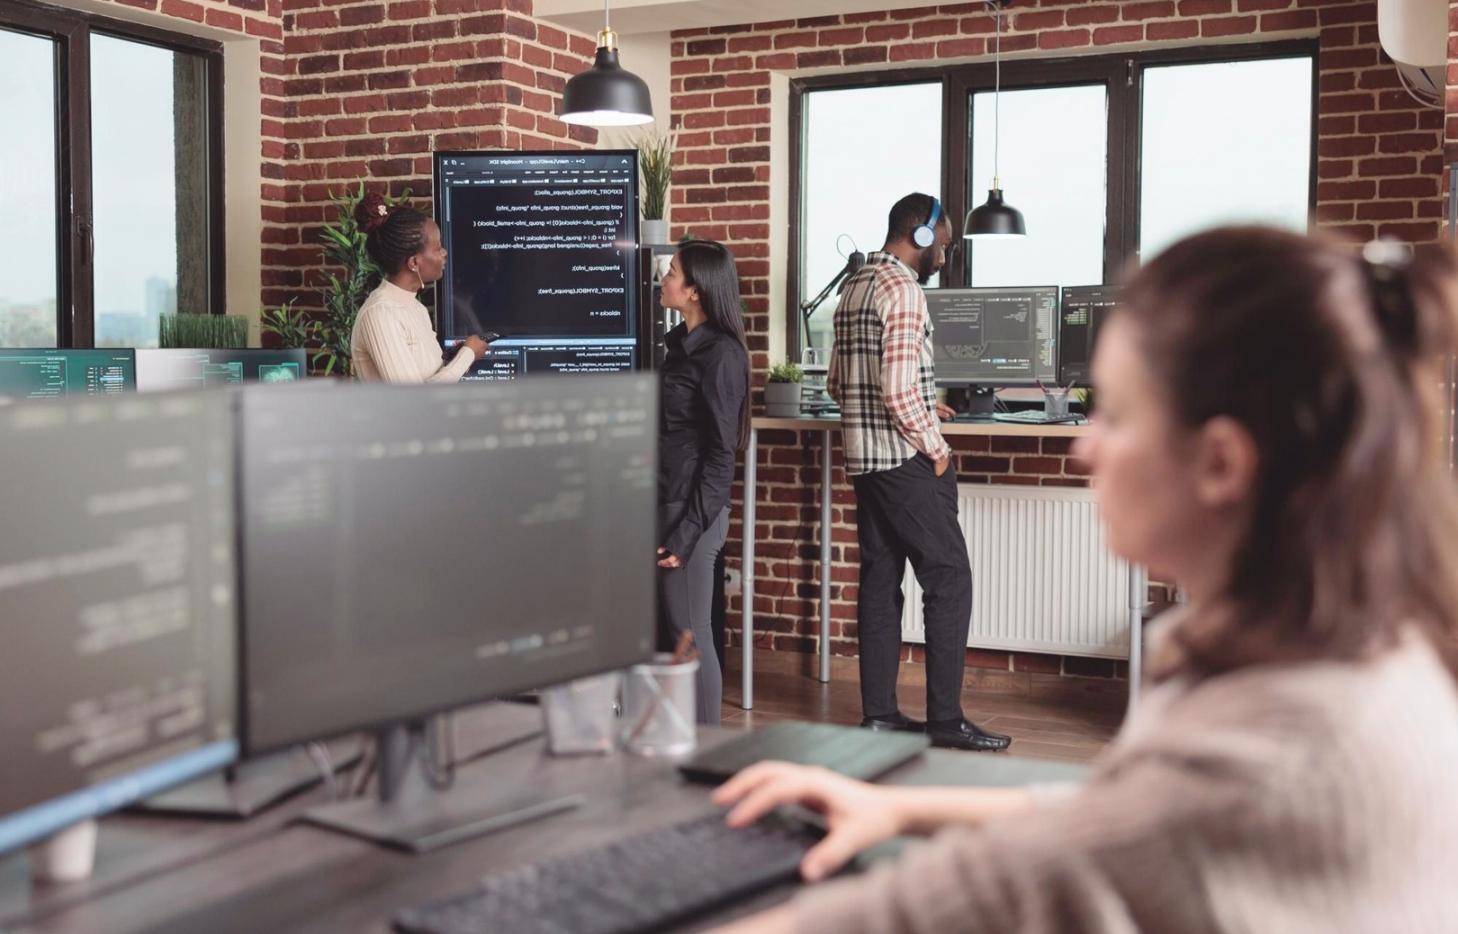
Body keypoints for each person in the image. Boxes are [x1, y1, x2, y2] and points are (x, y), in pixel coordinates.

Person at [712, 225, 1458, 933]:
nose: (1084, 449)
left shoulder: (1282, 749)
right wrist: (904, 809)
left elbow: (965, 898)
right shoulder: (1320, 653)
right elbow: (1126, 812)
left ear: (1221, 461)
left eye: (1117, 415)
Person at [828, 192, 1010, 752]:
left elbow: (837, 383)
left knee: (880, 581)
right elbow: (897, 388)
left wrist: (925, 406)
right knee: (949, 578)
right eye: (944, 246)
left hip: (866, 460)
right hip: (906, 459)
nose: (945, 257)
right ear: (922, 236)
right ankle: (946, 722)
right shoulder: (903, 289)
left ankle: (881, 715)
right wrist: (935, 444)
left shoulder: (856, 285)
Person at [657, 239, 750, 726]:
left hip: (693, 513)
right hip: (667, 503)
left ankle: (710, 748)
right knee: (673, 635)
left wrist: (687, 533)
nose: (664, 278)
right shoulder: (679, 347)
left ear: (695, 290)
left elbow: (720, 455)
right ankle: (677, 742)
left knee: (692, 634)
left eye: (672, 272)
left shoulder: (722, 355)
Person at [350, 192, 488, 383]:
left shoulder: (416, 308)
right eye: (437, 248)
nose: (444, 253)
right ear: (414, 262)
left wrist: (452, 359)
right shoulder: (379, 314)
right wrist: (467, 355)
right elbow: (414, 397)